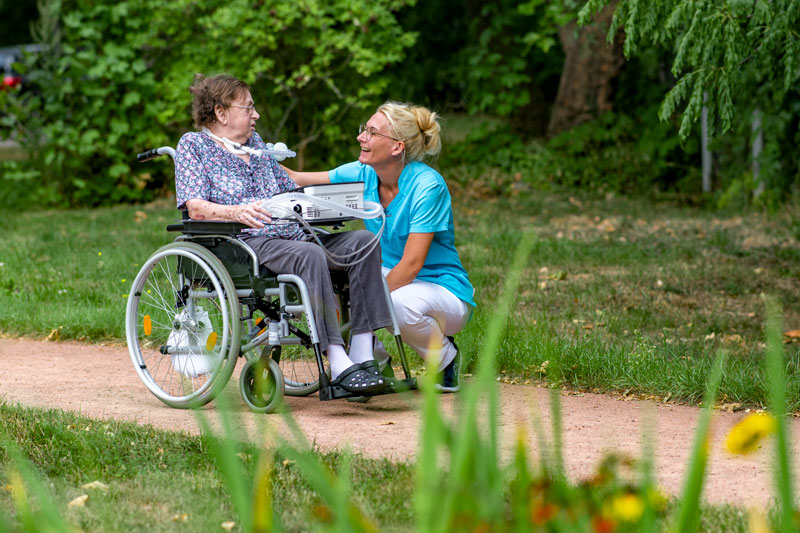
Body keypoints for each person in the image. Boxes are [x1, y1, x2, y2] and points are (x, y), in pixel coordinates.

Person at [174, 73, 391, 395]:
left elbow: (291, 189)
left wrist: (330, 204)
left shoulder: (257, 146)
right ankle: (337, 357)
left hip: (294, 232)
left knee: (363, 242)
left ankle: (362, 350)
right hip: (244, 240)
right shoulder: (194, 146)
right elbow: (195, 207)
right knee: (310, 255)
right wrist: (234, 211)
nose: (256, 115)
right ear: (221, 112)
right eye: (248, 108)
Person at [286, 101, 475, 392]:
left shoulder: (427, 186)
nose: (362, 137)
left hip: (442, 289)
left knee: (396, 305)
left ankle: (445, 359)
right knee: (336, 281)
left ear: (397, 147)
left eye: (372, 132)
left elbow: (412, 266)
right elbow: (298, 179)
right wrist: (250, 157)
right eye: (364, 129)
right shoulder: (364, 173)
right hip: (393, 275)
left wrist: (366, 300)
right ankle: (375, 362)